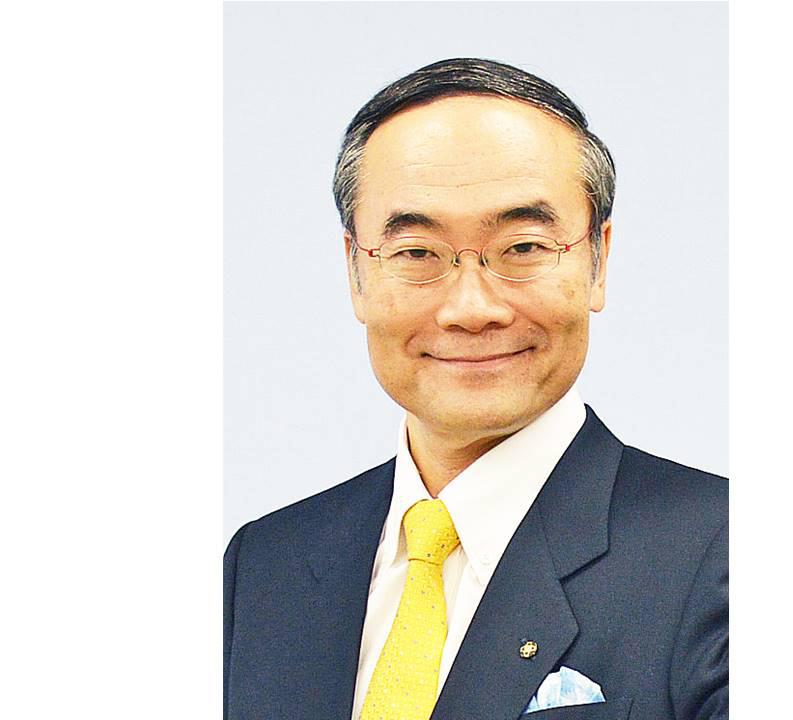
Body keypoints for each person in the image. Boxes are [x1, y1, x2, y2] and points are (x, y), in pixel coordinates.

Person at [224, 58, 727, 720]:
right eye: (416, 253)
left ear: (598, 260)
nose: (471, 308)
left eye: (523, 247)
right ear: (355, 272)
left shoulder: (723, 554)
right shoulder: (264, 566)